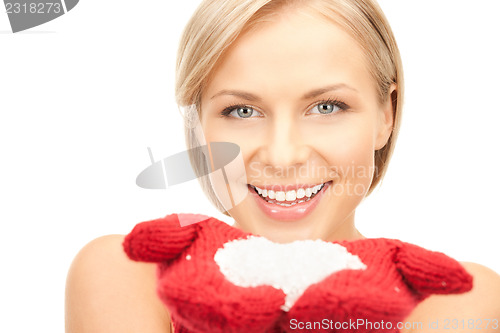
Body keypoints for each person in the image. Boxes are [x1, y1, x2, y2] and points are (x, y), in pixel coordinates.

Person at [65, 0, 500, 332]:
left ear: (387, 113)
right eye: (241, 111)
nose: (282, 155)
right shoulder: (129, 273)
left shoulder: (455, 298)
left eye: (327, 106)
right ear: (199, 123)